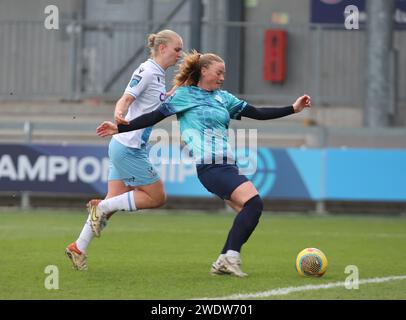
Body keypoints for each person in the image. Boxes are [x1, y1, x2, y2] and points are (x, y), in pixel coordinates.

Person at [95, 50, 311, 277]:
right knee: (254, 204)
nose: (222, 77)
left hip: (228, 165)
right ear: (204, 71)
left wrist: (293, 109)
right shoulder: (183, 96)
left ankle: (223, 260)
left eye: (224, 73)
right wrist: (120, 127)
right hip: (210, 166)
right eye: (219, 72)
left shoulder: (223, 98)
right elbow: (152, 117)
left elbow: (257, 113)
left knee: (249, 212)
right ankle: (230, 256)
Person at [65, 30, 184, 271]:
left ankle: (78, 247)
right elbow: (127, 97)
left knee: (111, 203)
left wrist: (173, 94)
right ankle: (100, 208)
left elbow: (151, 103)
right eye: (177, 49)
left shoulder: (158, 75)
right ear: (162, 48)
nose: (180, 54)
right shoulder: (148, 70)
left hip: (124, 145)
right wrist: (119, 113)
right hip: (129, 147)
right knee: (156, 197)